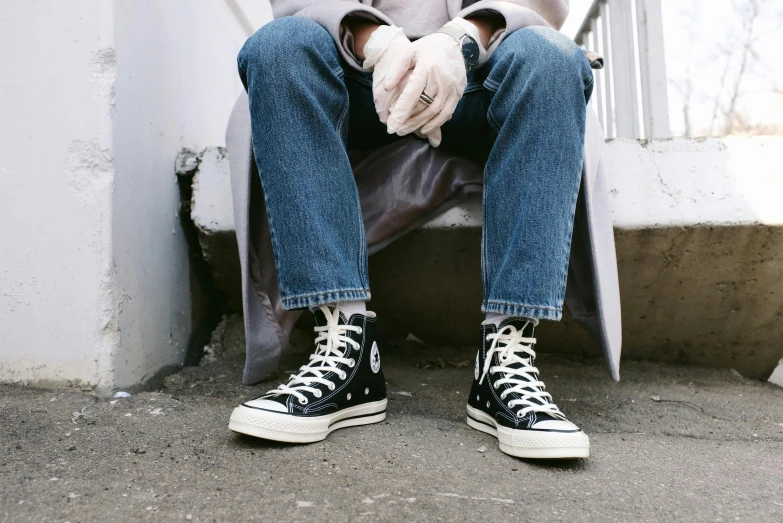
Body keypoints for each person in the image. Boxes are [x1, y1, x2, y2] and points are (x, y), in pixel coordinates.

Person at [227, 0, 597, 459]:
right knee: (278, 46)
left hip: (484, 72)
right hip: (358, 72)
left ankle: (506, 359)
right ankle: (345, 348)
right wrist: (374, 40)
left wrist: (458, 41)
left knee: (552, 57)